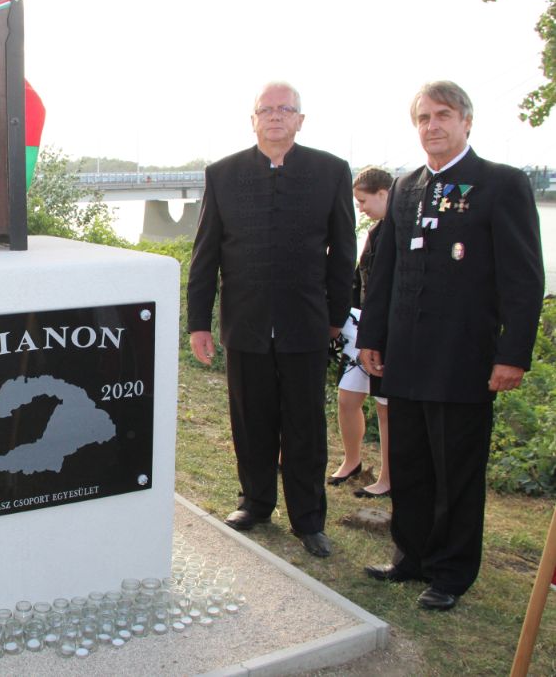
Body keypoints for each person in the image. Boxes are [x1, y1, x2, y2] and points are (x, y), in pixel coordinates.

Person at [358, 81, 544, 611]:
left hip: (464, 359)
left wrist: (512, 354)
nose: (432, 125)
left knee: (456, 472)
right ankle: (411, 556)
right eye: (423, 117)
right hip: (405, 356)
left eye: (443, 115)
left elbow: (524, 279)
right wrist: (372, 337)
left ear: (466, 121)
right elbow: (385, 272)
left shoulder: (500, 184)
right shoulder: (406, 187)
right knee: (409, 462)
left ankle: (451, 573)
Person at [188, 81, 356, 558]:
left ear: (300, 119)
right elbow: (206, 254)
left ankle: (309, 520)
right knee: (251, 421)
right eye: (267, 109)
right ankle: (256, 503)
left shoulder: (330, 171)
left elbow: (344, 252)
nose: (276, 116)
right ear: (253, 119)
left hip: (307, 323)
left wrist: (335, 315)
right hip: (245, 323)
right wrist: (198, 322)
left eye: (286, 109)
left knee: (305, 426)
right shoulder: (223, 174)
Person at [329, 167, 392, 498]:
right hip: (360, 328)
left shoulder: (399, 231)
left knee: (385, 406)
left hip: (386, 333)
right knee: (347, 397)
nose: (361, 209)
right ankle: (352, 461)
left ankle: (387, 477)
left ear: (383, 193)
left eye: (363, 201)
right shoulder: (376, 231)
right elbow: (359, 279)